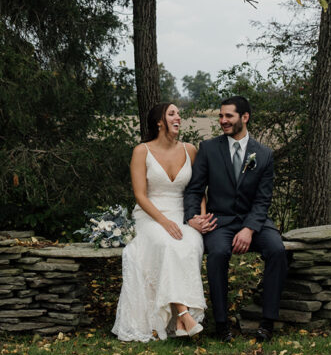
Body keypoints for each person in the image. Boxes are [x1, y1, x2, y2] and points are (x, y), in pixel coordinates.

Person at [183, 95, 288, 342]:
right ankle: (221, 324)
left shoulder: (264, 154)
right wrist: (191, 218)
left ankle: (267, 322)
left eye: (228, 116)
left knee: (277, 250)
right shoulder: (208, 149)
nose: (222, 121)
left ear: (245, 117)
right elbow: (195, 189)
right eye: (221, 116)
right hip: (220, 221)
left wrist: (250, 229)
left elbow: (263, 200)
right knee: (217, 254)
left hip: (255, 222)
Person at [112, 102, 207, 341]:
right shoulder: (141, 151)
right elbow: (140, 195)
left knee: (191, 243)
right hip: (151, 215)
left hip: (183, 214)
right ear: (159, 122)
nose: (178, 117)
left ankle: (183, 319)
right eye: (172, 113)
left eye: (179, 114)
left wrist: (199, 217)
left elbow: (198, 190)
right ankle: (184, 315)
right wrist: (163, 221)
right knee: (167, 244)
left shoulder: (190, 150)